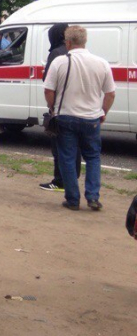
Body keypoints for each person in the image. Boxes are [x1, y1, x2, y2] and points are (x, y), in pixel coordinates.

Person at [44, 25, 116, 212]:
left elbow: (48, 90)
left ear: (68, 42)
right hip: (91, 118)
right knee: (93, 157)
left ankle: (73, 199)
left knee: (67, 158)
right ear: (85, 41)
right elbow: (110, 93)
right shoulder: (101, 63)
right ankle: (93, 196)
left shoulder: (59, 62)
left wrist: (53, 108)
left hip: (66, 116)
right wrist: (103, 112)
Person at [39, 23, 82, 193]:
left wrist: (52, 107)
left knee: (59, 147)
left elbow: (48, 82)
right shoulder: (77, 52)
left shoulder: (56, 53)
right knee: (76, 147)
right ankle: (73, 178)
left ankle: (60, 181)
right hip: (79, 107)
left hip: (61, 108)